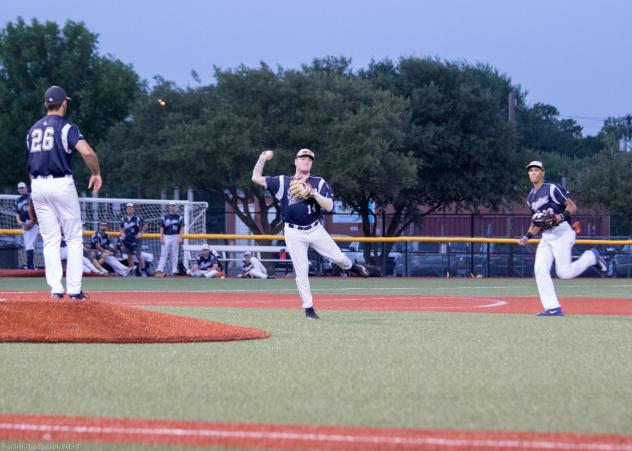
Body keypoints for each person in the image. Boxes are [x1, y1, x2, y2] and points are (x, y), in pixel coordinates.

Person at [252, 148, 368, 320]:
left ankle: (351, 267)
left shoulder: (318, 182)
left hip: (314, 229)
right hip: (293, 232)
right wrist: (262, 159)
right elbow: (255, 178)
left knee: (339, 258)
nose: (306, 161)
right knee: (302, 270)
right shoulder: (284, 181)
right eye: (303, 158)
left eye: (309, 159)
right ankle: (309, 309)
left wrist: (313, 193)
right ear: (296, 161)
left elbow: (329, 206)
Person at [26, 85, 102, 300]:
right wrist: (96, 173)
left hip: (38, 185)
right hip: (61, 184)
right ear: (64, 103)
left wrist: (33, 194)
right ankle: (75, 290)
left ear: (45, 104)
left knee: (50, 240)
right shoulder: (67, 127)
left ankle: (56, 289)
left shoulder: (32, 130)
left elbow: (30, 165)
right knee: (73, 238)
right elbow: (87, 152)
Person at [518, 161, 607, 316]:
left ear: (542, 173)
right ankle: (553, 308)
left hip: (562, 232)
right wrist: (527, 236)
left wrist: (560, 216)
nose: (533, 173)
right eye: (530, 170)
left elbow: (572, 207)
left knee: (564, 272)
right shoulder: (530, 198)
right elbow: (536, 222)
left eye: (536, 170)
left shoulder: (551, 189)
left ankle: (592, 256)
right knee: (540, 269)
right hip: (546, 236)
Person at [14, 181, 40, 269]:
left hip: (33, 222)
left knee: (29, 244)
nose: (21, 189)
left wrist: (32, 221)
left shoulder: (31, 196)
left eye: (23, 188)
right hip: (25, 223)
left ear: (26, 188)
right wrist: (19, 221)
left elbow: (36, 209)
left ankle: (30, 266)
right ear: (18, 190)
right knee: (28, 244)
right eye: (20, 188)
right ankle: (30, 265)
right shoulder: (17, 201)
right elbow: (17, 212)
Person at [155, 201, 184, 277]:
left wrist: (180, 237)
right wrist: (161, 238)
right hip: (166, 236)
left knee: (174, 255)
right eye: (171, 206)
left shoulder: (179, 217)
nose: (172, 207)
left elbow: (181, 228)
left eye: (174, 206)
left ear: (175, 207)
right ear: (168, 207)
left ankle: (174, 271)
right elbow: (161, 228)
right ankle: (160, 270)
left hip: (175, 236)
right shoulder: (164, 217)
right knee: (163, 254)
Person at [120, 203, 147, 277]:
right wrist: (122, 233)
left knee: (139, 255)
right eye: (128, 208)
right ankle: (132, 270)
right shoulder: (123, 219)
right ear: (126, 210)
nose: (129, 210)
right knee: (129, 256)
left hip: (136, 239)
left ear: (133, 209)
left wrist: (141, 233)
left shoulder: (137, 218)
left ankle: (143, 270)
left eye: (131, 208)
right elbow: (121, 228)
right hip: (127, 240)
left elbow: (145, 225)